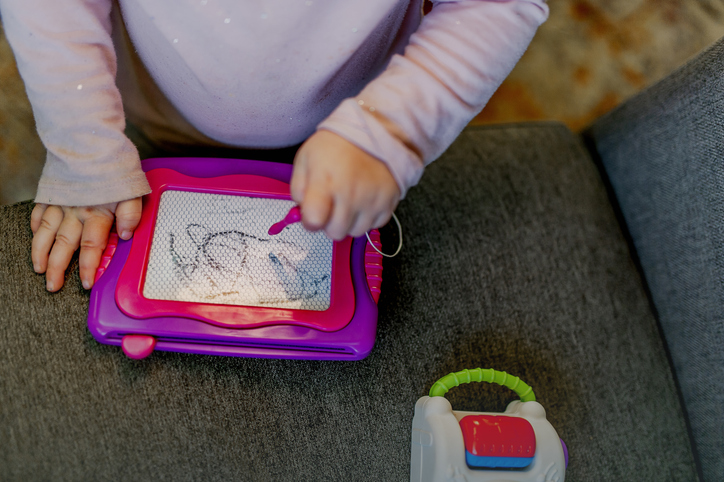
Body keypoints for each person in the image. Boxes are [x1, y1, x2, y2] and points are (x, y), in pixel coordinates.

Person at [0, 0, 548, 292]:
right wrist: (85, 148)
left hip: (361, 119)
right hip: (155, 108)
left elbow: (492, 6)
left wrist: (391, 131)